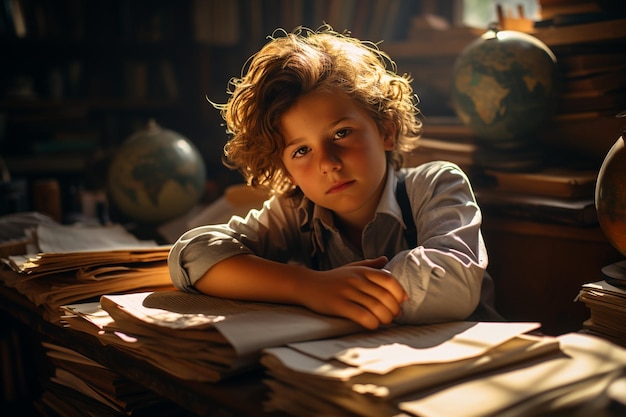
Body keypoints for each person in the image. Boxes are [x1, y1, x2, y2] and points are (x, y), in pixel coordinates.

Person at [168, 26, 499, 330]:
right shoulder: (295, 211)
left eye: (341, 133)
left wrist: (342, 292)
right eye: (301, 151)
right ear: (288, 172)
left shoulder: (434, 184)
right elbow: (192, 253)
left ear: (386, 131)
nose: (327, 163)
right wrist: (308, 287)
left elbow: (455, 282)